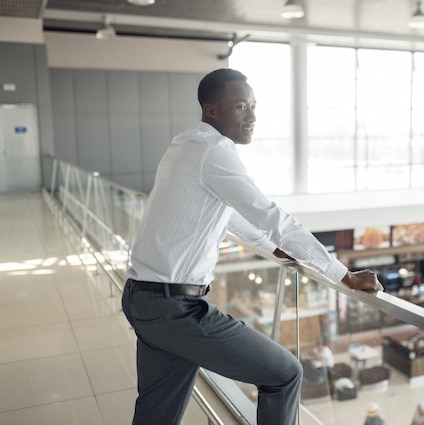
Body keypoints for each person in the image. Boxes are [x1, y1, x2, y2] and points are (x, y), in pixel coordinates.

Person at [121, 68, 383, 425]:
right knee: (284, 374)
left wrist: (270, 247)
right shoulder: (215, 150)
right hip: (174, 307)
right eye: (241, 106)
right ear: (211, 110)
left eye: (254, 107)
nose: (252, 117)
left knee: (157, 413)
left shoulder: (186, 143)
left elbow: (226, 214)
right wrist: (342, 274)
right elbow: (273, 216)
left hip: (145, 297)